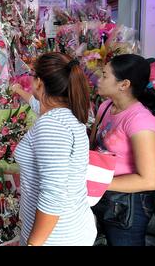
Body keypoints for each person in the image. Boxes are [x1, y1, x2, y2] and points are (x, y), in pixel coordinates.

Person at [13, 52, 97, 246]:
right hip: (68, 230)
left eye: (32, 75)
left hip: (56, 238)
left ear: (40, 82)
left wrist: (34, 244)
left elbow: (53, 195)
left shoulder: (52, 125)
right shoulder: (65, 114)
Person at [91, 54, 155, 246]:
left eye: (105, 76)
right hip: (102, 197)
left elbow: (150, 180)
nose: (99, 79)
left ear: (124, 84)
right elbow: (94, 149)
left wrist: (96, 182)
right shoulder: (106, 107)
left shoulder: (141, 121)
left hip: (127, 206)